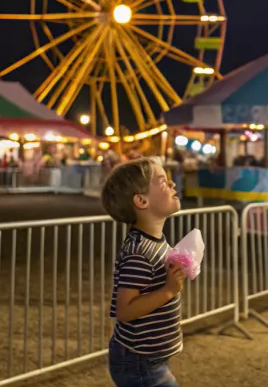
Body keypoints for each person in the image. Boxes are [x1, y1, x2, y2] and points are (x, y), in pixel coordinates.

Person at [102, 157, 185, 387]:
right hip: (139, 362)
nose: (173, 185)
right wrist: (169, 290)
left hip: (149, 358)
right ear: (141, 200)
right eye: (163, 182)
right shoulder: (139, 252)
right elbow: (125, 310)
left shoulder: (156, 243)